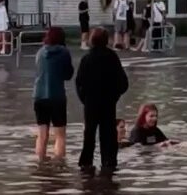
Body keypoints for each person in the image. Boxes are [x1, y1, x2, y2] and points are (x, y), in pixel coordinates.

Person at [76, 28, 129, 171]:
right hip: (108, 104)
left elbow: (79, 83)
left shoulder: (86, 59)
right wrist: (114, 96)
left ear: (92, 40)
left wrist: (85, 99)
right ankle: (109, 163)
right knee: (108, 136)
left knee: (89, 134)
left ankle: (86, 164)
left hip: (91, 103)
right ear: (107, 40)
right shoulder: (112, 57)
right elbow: (123, 83)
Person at [33, 27, 74, 162]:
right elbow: (68, 75)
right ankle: (59, 166)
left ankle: (40, 164)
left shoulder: (40, 52)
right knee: (60, 135)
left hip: (39, 96)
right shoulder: (64, 53)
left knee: (42, 134)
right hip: (57, 96)